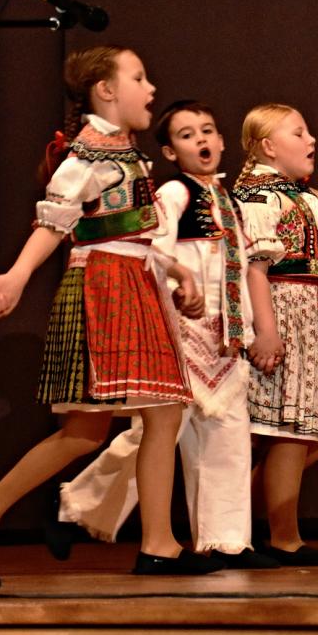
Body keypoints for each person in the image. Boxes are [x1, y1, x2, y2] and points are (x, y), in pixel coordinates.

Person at [0, 47, 222, 587]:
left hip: (131, 279)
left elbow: (124, 232)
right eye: (139, 77)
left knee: (147, 417)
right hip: (106, 288)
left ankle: (158, 543)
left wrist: (176, 271)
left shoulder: (122, 152)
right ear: (106, 90)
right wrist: (18, 275)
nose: (151, 88)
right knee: (95, 427)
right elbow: (55, 223)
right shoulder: (89, 156)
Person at [55, 100, 278, 568]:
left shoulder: (229, 201)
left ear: (222, 141)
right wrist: (179, 289)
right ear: (171, 152)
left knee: (227, 438)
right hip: (182, 331)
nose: (201, 140)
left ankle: (226, 541)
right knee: (154, 435)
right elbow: (153, 250)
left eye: (208, 130)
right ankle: (78, 506)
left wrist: (249, 326)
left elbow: (237, 269)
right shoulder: (175, 193)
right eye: (187, 134)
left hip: (223, 337)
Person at [235, 103, 318, 566]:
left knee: (314, 430)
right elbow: (256, 268)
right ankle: (283, 535)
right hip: (284, 310)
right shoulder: (260, 197)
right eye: (299, 133)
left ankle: (242, 517)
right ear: (268, 146)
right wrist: (266, 331)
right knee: (289, 431)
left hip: (314, 314)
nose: (311, 140)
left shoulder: (303, 197)